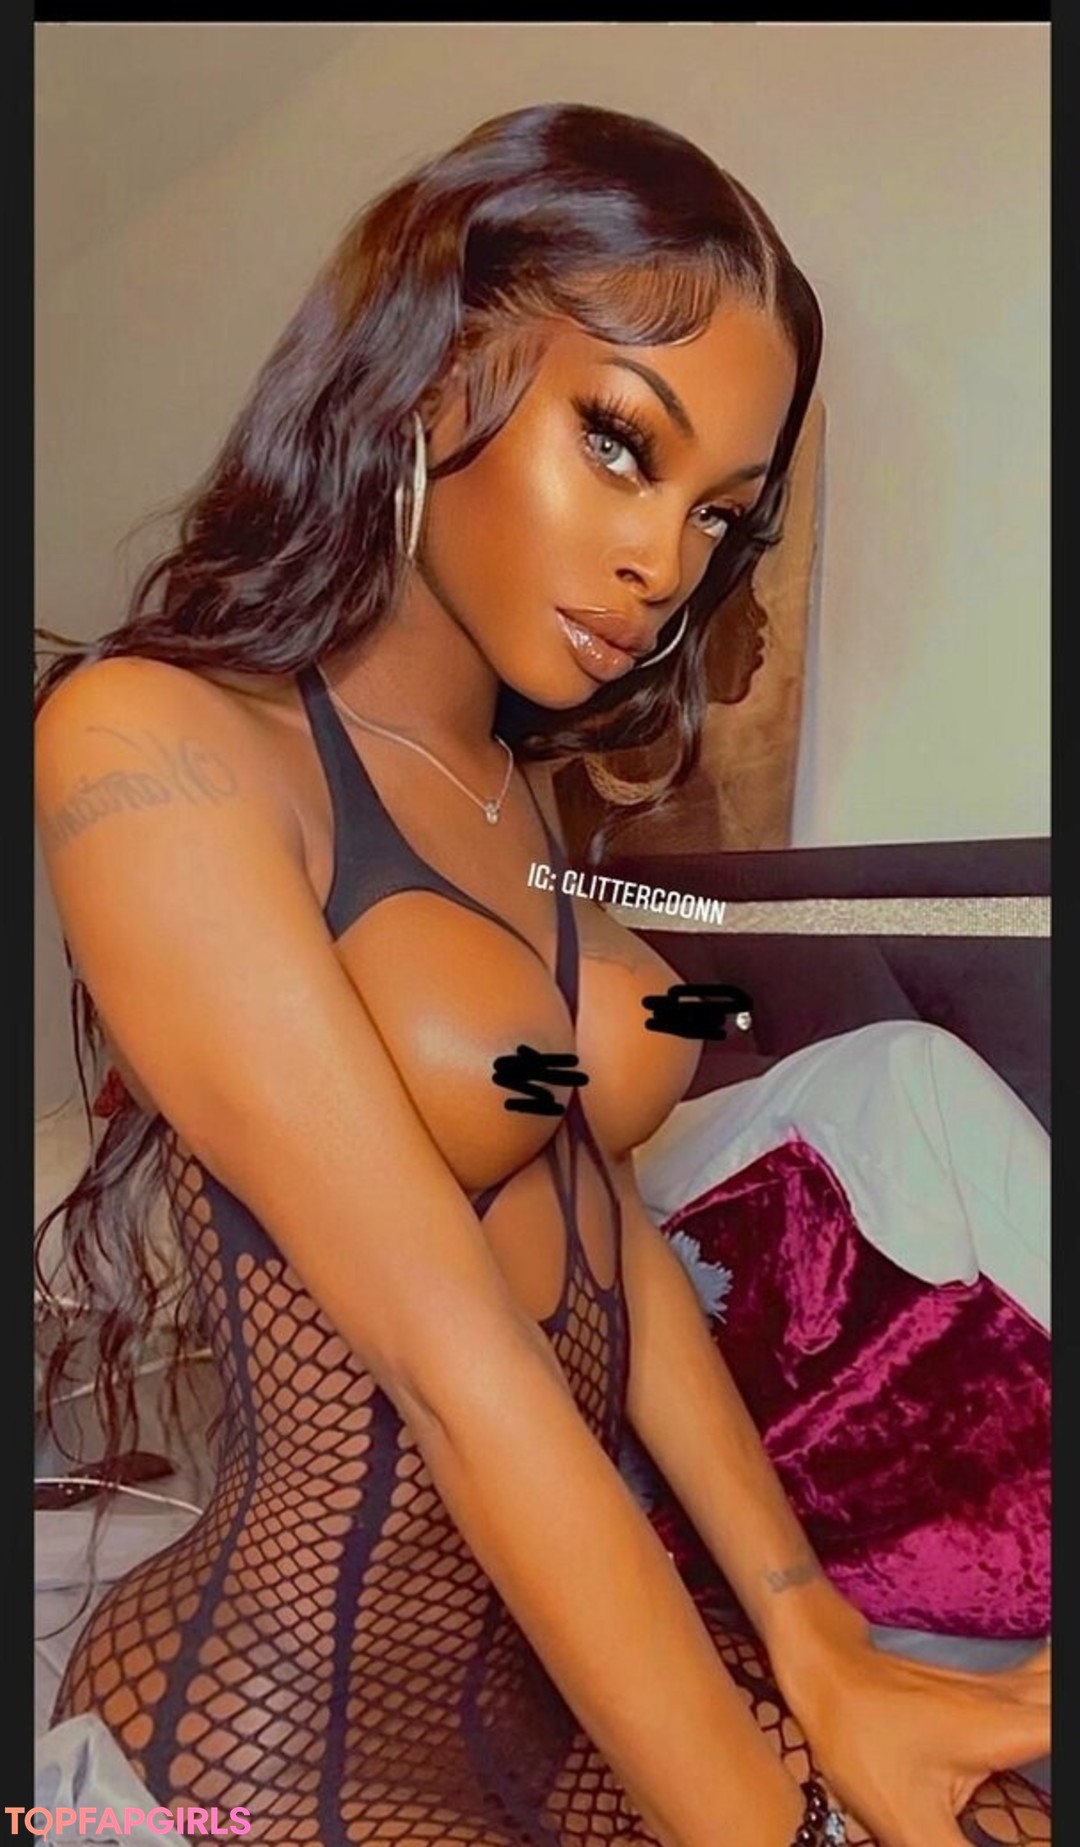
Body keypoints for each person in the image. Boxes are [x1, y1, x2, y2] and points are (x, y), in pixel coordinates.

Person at [33, 103, 1049, 1847]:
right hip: (279, 1739)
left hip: (539, 1700)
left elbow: (597, 1235)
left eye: (719, 515)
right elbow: (454, 1359)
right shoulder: (152, 740)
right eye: (622, 444)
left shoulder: (510, 788)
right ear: (434, 375)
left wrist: (812, 1638)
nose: (666, 567)